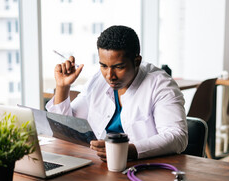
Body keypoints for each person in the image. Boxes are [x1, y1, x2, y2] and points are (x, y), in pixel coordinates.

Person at [46, 25, 188, 161]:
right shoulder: (98, 80)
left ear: (137, 61)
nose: (109, 75)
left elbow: (177, 137)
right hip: (98, 168)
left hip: (145, 169)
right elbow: (68, 128)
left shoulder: (161, 84)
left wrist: (127, 151)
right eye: (104, 66)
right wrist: (62, 87)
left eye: (119, 67)